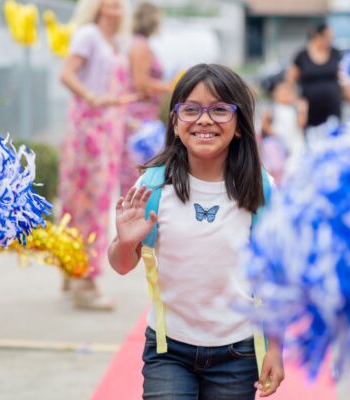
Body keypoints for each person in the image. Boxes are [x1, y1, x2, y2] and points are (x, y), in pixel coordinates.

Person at [108, 64, 285, 399]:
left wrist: (274, 347)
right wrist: (125, 242)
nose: (204, 120)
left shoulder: (260, 188)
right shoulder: (154, 185)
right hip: (168, 351)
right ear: (175, 122)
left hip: (239, 352)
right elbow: (120, 264)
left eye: (220, 109)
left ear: (239, 127)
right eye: (191, 109)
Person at [59, 0, 132, 310]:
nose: (115, 6)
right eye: (109, 2)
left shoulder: (113, 42)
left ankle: (71, 269)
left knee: (92, 203)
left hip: (108, 134)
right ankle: (84, 280)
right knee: (87, 205)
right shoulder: (88, 34)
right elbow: (67, 74)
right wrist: (93, 98)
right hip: (88, 133)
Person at [119, 1, 170, 194]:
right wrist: (168, 86)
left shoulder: (136, 43)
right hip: (140, 119)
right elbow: (141, 84)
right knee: (141, 174)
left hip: (138, 116)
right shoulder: (141, 46)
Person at [285, 23, 350, 132]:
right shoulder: (302, 55)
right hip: (310, 110)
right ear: (317, 36)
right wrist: (297, 101)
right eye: (327, 37)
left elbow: (344, 81)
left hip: (332, 107)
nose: (330, 41)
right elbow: (290, 80)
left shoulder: (335, 54)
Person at [260, 81, 307, 182]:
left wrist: (303, 111)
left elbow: (301, 124)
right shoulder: (273, 108)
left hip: (294, 141)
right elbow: (265, 123)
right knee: (277, 165)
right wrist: (273, 133)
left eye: (289, 93)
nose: (286, 96)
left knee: (294, 164)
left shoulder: (295, 109)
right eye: (282, 93)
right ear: (275, 94)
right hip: (278, 142)